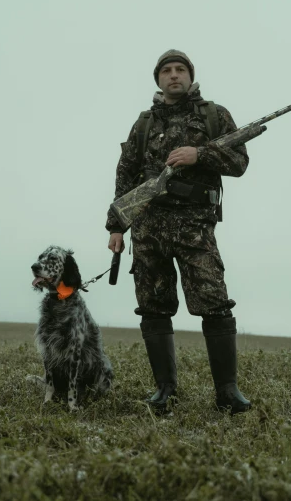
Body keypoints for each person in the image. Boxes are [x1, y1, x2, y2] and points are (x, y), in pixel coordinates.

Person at [105, 49, 251, 414]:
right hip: (149, 228)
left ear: (190, 75)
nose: (174, 75)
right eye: (167, 70)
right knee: (153, 307)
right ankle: (165, 390)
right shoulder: (142, 124)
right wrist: (116, 226)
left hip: (195, 227)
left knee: (214, 302)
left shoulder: (215, 116)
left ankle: (228, 393)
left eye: (180, 69)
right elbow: (125, 175)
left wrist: (198, 155)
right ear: (158, 79)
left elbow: (239, 162)